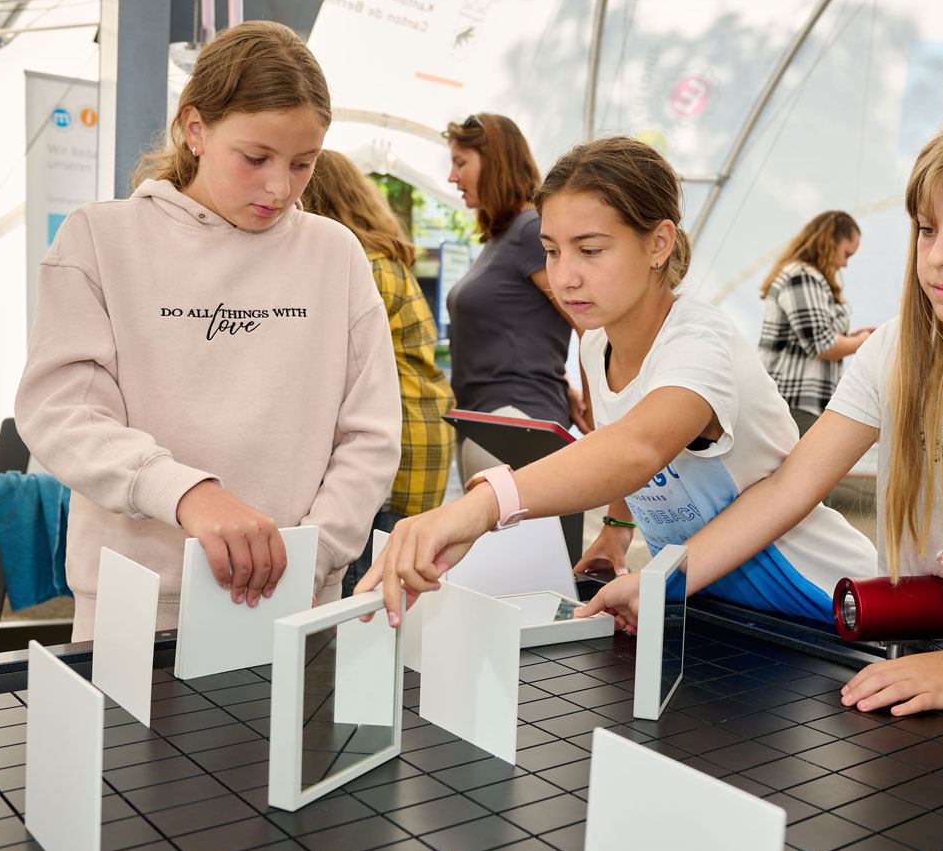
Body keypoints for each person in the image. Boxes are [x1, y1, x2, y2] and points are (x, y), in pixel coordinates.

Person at [581, 107, 943, 714]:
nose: (939, 256)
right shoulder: (897, 348)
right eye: (926, 229)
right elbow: (788, 488)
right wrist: (658, 584)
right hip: (915, 653)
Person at [357, 135, 876, 624]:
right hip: (709, 600)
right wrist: (616, 526)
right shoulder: (594, 342)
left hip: (821, 602)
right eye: (552, 249)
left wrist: (484, 504)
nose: (564, 277)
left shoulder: (699, 344)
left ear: (659, 244)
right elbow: (618, 441)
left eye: (590, 249)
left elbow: (639, 448)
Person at [15, 21, 401, 640]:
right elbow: (63, 413)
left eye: (304, 164)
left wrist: (311, 557)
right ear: (196, 128)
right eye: (256, 159)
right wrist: (188, 494)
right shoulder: (99, 239)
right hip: (138, 606)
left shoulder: (336, 254)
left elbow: (372, 433)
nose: (280, 187)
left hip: (297, 607)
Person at [302, 150, 456, 587]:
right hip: (419, 440)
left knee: (362, 590)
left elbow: (327, 368)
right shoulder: (385, 259)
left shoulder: (361, 266)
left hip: (392, 452)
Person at [443, 113, 588, 482]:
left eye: (461, 163)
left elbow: (587, 323)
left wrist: (596, 407)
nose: (452, 177)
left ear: (496, 162)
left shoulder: (529, 230)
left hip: (516, 421)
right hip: (488, 423)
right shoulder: (503, 237)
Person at [757, 210, 875, 434]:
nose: (845, 264)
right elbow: (822, 345)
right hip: (795, 402)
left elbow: (812, 336)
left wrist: (852, 337)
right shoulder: (802, 277)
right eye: (846, 254)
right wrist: (862, 341)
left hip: (801, 403)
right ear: (830, 242)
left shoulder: (807, 277)